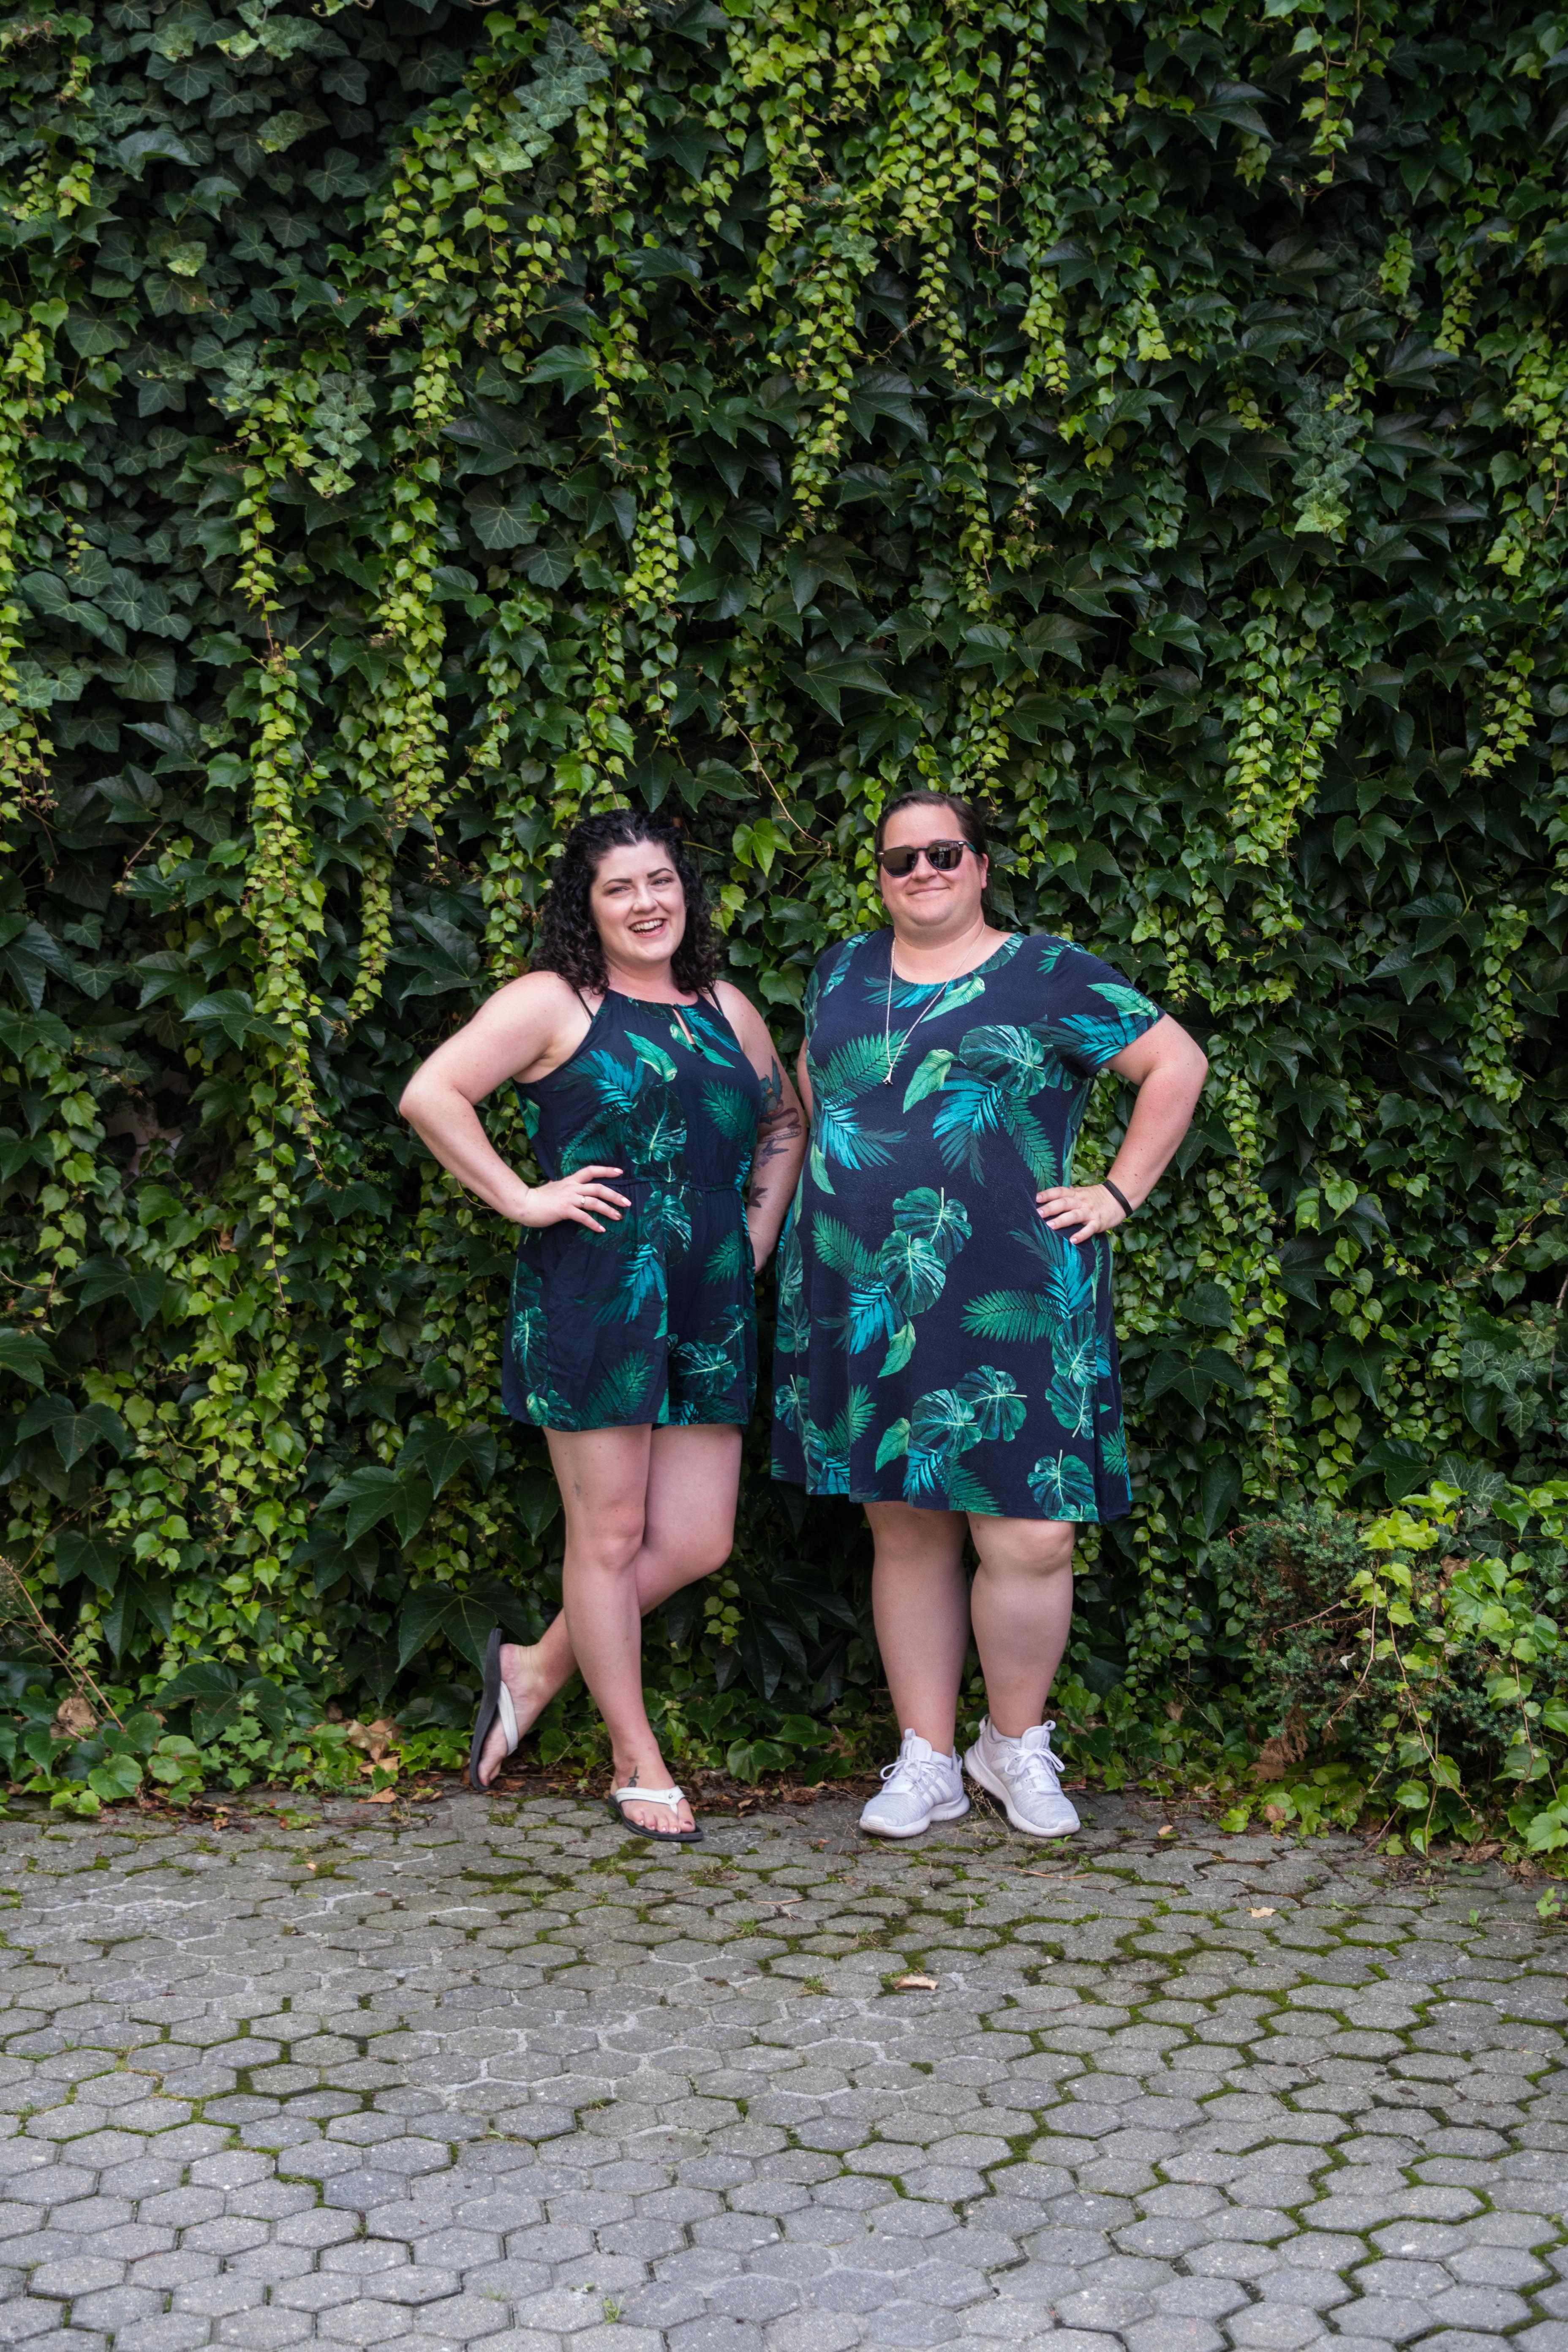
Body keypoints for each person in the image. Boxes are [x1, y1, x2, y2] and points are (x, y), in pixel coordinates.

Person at [772, 789, 1207, 1840]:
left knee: (1033, 1535)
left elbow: (1175, 1063)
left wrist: (1117, 1193)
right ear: (878, 877)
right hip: (865, 1287)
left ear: (979, 866)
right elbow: (815, 1091)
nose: (920, 872)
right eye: (899, 860)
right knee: (904, 1522)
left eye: (943, 853)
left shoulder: (1047, 972)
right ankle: (925, 1759)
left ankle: (1011, 1747)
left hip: (1011, 1285)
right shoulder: (840, 971)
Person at [399, 810, 805, 1840]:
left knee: (697, 1541)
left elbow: (782, 1120)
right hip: (597, 1286)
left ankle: (534, 1668)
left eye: (660, 880)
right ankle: (634, 1757)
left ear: (685, 891)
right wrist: (521, 1198)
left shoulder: (724, 1006)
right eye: (618, 888)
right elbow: (432, 1094)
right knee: (611, 1535)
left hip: (710, 1292)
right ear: (586, 908)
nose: (646, 903)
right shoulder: (553, 1000)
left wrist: (753, 1237)